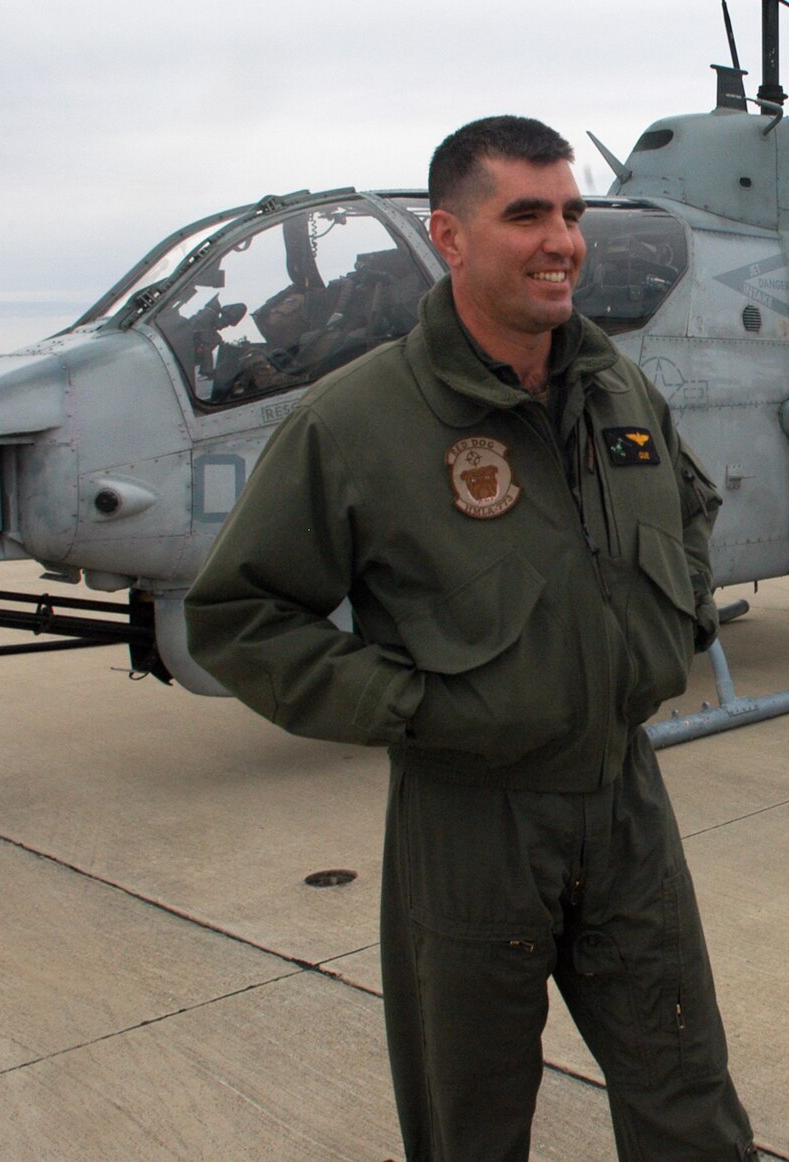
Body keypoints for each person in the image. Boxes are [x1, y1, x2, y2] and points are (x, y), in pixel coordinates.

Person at [185, 116, 756, 1162]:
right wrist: (413, 710)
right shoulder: (360, 418)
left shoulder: (616, 388)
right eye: (526, 215)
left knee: (691, 1104)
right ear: (449, 237)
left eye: (572, 214)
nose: (562, 241)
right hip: (469, 820)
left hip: (623, 800)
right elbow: (240, 614)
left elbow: (687, 514)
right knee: (470, 1123)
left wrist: (678, 625)